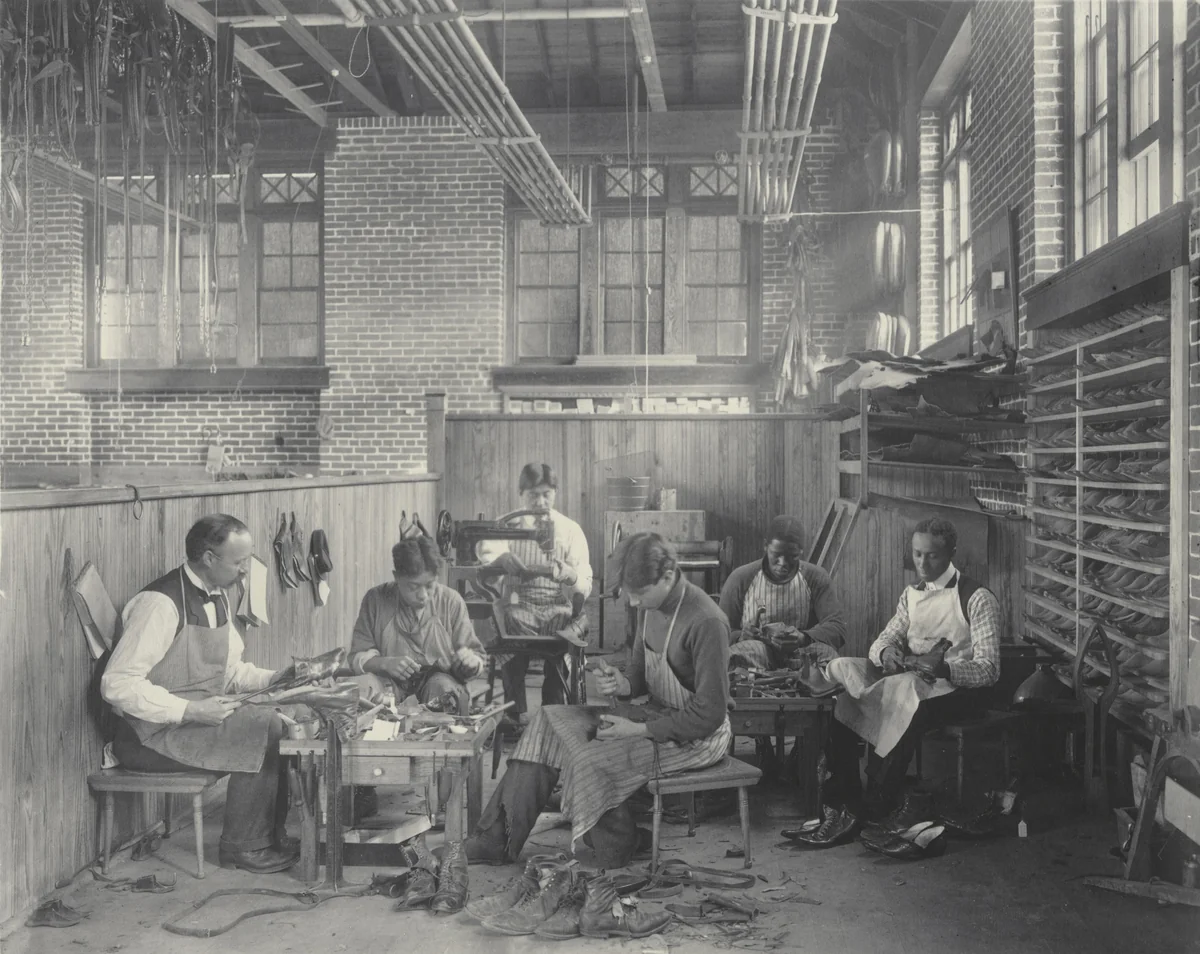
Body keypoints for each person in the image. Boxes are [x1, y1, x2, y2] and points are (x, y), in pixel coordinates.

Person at [464, 532, 732, 869]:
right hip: (655, 715)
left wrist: (638, 730)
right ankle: (495, 839)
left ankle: (618, 844)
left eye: (639, 594)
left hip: (697, 736)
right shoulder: (650, 607)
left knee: (589, 756)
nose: (632, 603)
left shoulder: (706, 621)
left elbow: (710, 714)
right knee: (548, 721)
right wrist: (622, 683)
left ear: (667, 577)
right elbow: (639, 673)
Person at [100, 514, 298, 874]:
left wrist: (280, 678)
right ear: (208, 558)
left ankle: (268, 837)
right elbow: (117, 683)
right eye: (239, 562)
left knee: (281, 720)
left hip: (191, 725)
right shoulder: (160, 604)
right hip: (147, 737)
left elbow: (230, 672)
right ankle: (242, 848)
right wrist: (189, 710)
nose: (244, 571)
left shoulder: (219, 597)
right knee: (264, 727)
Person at [824, 517, 1001, 819]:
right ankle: (845, 792)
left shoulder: (977, 598)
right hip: (912, 681)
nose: (922, 563)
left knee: (906, 698)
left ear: (951, 554)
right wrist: (888, 652)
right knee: (842, 680)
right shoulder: (912, 595)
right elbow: (884, 640)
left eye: (932, 555)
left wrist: (945, 670)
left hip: (957, 692)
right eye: (917, 554)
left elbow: (990, 670)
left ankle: (880, 799)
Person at [477, 462, 592, 723]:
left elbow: (584, 579)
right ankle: (514, 710)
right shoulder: (506, 525)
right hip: (518, 603)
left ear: (556, 493)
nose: (540, 502)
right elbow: (487, 561)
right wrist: (501, 560)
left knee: (567, 624)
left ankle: (553, 705)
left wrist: (571, 575)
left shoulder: (570, 530)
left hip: (555, 604)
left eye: (546, 494)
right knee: (509, 621)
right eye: (533, 495)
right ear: (521, 494)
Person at [348, 536, 487, 713]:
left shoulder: (451, 602)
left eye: (429, 585)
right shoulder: (376, 599)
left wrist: (471, 663)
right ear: (397, 577)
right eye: (413, 587)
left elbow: (475, 656)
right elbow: (357, 656)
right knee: (360, 688)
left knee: (445, 692)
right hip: (388, 682)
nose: (423, 595)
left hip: (439, 681)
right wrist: (384, 663)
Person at [719, 514, 845, 670]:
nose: (783, 563)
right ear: (766, 546)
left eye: (792, 556)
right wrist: (740, 636)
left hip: (800, 653)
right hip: (757, 653)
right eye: (776, 554)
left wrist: (803, 637)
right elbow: (719, 630)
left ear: (801, 551)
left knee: (831, 659)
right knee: (733, 657)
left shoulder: (816, 577)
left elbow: (837, 627)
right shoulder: (741, 578)